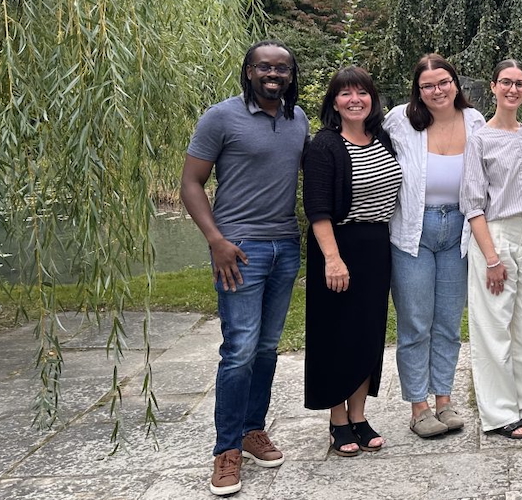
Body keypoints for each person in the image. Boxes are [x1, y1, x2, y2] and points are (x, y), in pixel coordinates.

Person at [180, 40, 306, 496]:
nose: (273, 75)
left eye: (282, 69)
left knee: (268, 347)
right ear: (249, 71)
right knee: (239, 349)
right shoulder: (221, 117)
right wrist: (216, 241)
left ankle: (253, 430)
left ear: (291, 75)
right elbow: (191, 183)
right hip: (239, 250)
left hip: (285, 247)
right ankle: (226, 450)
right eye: (264, 67)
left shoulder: (298, 119)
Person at [301, 66, 401, 457]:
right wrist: (332, 259)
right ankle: (337, 420)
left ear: (372, 99)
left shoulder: (383, 138)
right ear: (334, 102)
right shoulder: (325, 145)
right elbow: (318, 207)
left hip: (376, 245)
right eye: (345, 94)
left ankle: (359, 417)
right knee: (334, 336)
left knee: (367, 333)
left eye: (362, 92)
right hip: (338, 244)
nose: (355, 100)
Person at [384, 54, 484, 439]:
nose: (437, 90)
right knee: (415, 322)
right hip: (412, 229)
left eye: (443, 82)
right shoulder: (399, 120)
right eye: (427, 85)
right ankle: (418, 406)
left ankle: (444, 398)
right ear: (418, 90)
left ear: (455, 83)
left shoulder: (474, 122)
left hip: (459, 230)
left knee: (447, 321)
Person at [461, 59, 522, 440]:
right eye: (506, 83)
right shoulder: (480, 138)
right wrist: (492, 258)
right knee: (493, 325)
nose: (513, 89)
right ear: (494, 87)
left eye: (520, 83)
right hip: (494, 235)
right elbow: (472, 203)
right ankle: (499, 414)